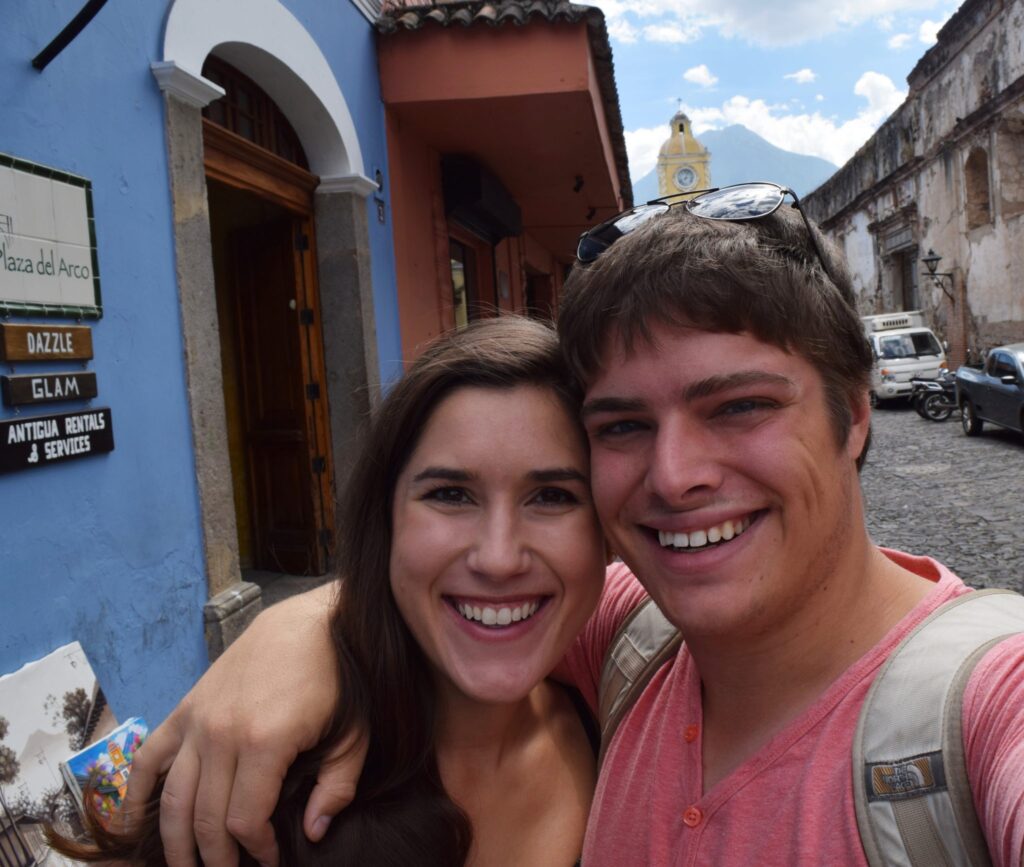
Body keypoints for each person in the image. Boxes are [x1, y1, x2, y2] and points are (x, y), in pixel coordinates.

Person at [125, 184, 1024, 867]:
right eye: (623, 426)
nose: (674, 477)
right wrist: (298, 627)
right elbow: (466, 587)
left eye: (739, 406)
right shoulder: (630, 631)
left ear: (855, 415)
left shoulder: (987, 704)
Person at [49, 316, 607, 866]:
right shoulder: (261, 792)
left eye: (553, 497)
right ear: (385, 523)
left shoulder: (622, 701)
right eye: (452, 495)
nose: (499, 557)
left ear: (607, 528)